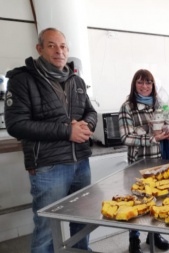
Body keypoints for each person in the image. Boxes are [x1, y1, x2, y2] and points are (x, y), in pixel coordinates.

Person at [4, 28, 97, 253]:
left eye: (63, 46)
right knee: (47, 227)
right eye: (52, 45)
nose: (59, 51)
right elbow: (16, 125)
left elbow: (91, 112)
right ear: (40, 48)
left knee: (82, 220)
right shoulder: (22, 80)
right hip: (49, 167)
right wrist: (67, 131)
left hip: (80, 162)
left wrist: (87, 125)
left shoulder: (76, 80)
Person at [118, 69, 169, 253]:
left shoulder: (159, 105)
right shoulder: (127, 107)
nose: (145, 86)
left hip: (158, 162)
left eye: (148, 82)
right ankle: (134, 238)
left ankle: (154, 235)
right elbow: (125, 137)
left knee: (156, 200)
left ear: (153, 85)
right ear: (134, 85)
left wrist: (167, 129)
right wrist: (151, 138)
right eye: (140, 82)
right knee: (137, 201)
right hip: (138, 164)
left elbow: (166, 125)